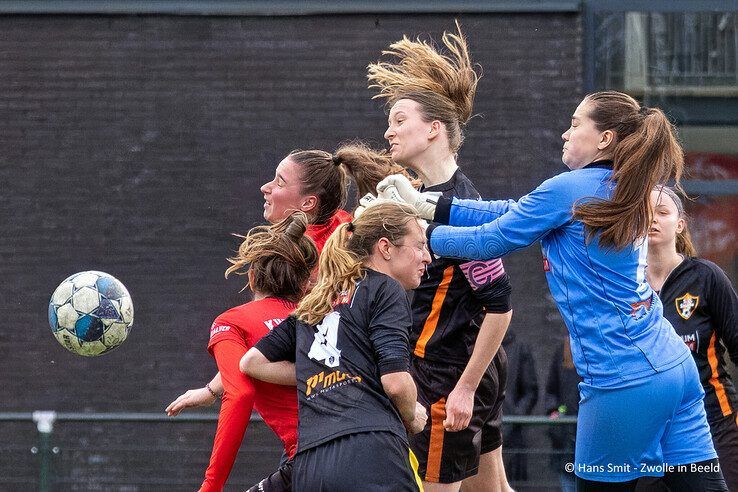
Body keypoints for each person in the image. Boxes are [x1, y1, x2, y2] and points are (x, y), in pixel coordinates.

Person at [379, 91, 728, 490]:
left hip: (619, 380)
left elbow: (487, 241)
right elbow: (515, 210)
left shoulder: (570, 187)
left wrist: (418, 232)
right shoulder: (620, 185)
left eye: (576, 124)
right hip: (674, 369)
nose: (565, 133)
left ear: (605, 139)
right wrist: (428, 203)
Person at [166, 143, 404, 491]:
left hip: (334, 429)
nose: (266, 187)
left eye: (278, 181)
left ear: (307, 204)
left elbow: (290, 346)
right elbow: (279, 337)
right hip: (353, 426)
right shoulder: (344, 230)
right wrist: (216, 386)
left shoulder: (321, 256)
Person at [367, 23, 514, 492]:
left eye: (398, 120)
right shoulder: (418, 197)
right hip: (463, 368)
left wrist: (465, 387)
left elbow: (501, 306)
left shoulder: (460, 206)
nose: (387, 131)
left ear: (434, 129)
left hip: (446, 375)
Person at [241, 202, 431, 491]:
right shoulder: (385, 289)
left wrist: (316, 371)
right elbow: (395, 383)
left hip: (311, 464)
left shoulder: (315, 301)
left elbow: (252, 362)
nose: (427, 257)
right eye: (419, 246)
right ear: (386, 248)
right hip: (371, 452)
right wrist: (412, 415)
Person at [165, 213, 318, 491]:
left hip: (311, 457)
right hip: (362, 447)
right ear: (305, 282)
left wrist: (211, 486)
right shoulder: (317, 318)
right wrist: (211, 390)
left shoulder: (233, 321)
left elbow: (241, 393)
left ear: (251, 276)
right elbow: (266, 352)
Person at [643, 186, 738, 491]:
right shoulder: (624, 283)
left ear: (680, 223)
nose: (653, 219)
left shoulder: (706, 277)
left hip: (714, 421)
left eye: (662, 212)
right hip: (647, 428)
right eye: (645, 212)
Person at [544, 337, 581, 492]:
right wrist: (553, 410)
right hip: (566, 438)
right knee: (569, 482)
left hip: (589, 433)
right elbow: (551, 390)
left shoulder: (599, 352)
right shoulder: (563, 351)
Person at [501, 330, 538, 485]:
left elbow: (531, 390)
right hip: (483, 430)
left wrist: (515, 415)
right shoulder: (474, 345)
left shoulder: (520, 348)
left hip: (512, 435)